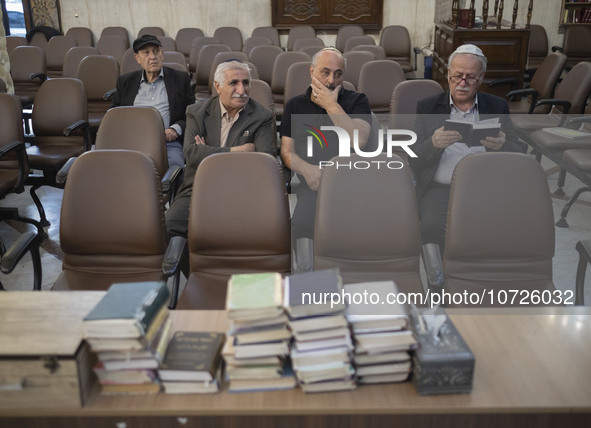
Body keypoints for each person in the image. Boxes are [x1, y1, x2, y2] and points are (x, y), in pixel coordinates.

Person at [410, 44, 525, 252]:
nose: (462, 83)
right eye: (457, 76)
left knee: (500, 228)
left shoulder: (497, 106)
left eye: (470, 77)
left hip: (486, 187)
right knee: (431, 226)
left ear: (481, 78)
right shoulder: (427, 106)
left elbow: (520, 153)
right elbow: (414, 158)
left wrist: (503, 146)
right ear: (448, 74)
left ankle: (479, 273)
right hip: (439, 187)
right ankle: (439, 277)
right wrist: (433, 144)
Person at [280, 47, 372, 267]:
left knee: (360, 232)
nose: (331, 80)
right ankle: (310, 281)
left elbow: (358, 140)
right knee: (301, 225)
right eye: (325, 72)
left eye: (338, 74)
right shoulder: (295, 105)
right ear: (312, 72)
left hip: (352, 183)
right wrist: (305, 169)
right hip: (314, 184)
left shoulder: (357, 101)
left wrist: (330, 104)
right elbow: (286, 151)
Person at [165, 60, 275, 238]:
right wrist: (238, 151)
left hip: (242, 188)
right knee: (171, 224)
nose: (242, 90)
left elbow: (263, 162)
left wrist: (208, 150)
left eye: (245, 82)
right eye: (234, 83)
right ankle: (192, 266)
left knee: (246, 230)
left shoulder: (262, 116)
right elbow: (192, 155)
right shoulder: (196, 112)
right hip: (199, 185)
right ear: (218, 86)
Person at [112, 34, 194, 169]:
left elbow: (191, 113)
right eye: (146, 53)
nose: (152, 57)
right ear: (137, 58)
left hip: (167, 143)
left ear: (162, 54)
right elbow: (115, 115)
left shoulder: (180, 79)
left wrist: (175, 129)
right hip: (132, 142)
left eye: (156, 51)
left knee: (175, 171)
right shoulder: (125, 82)